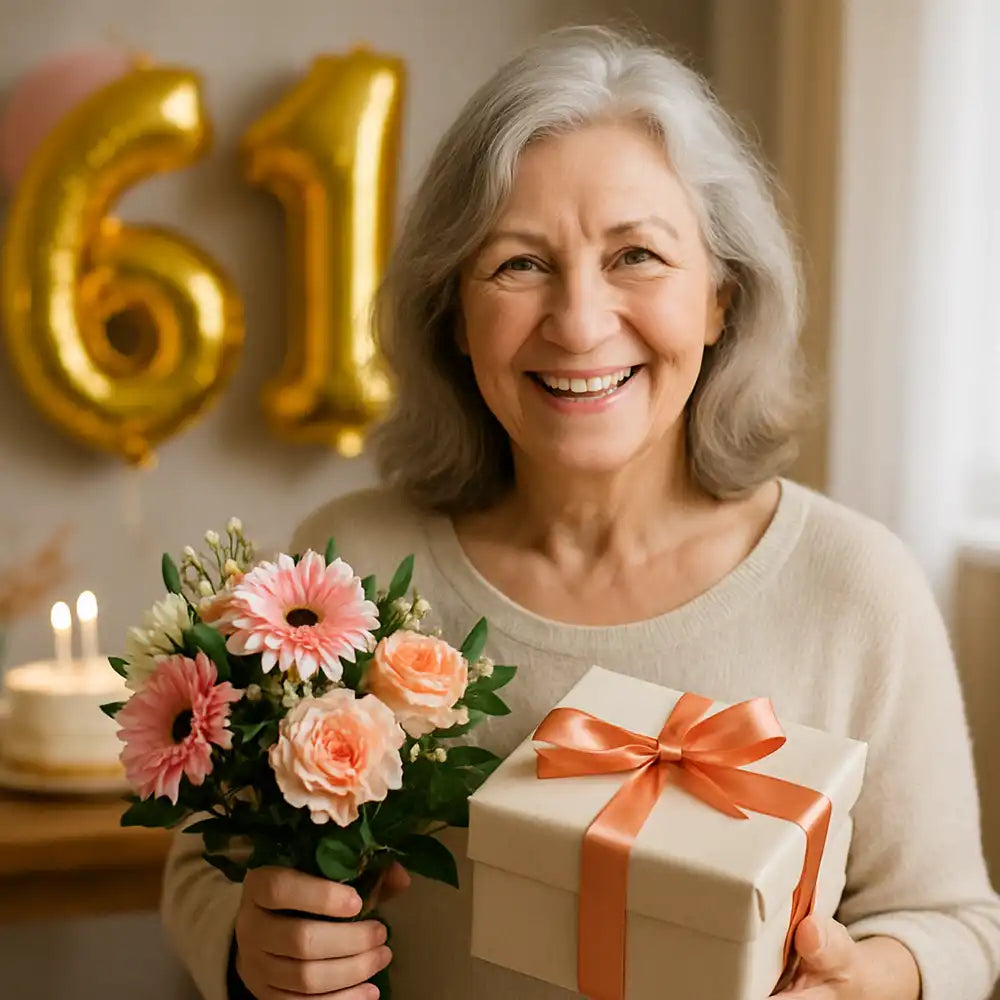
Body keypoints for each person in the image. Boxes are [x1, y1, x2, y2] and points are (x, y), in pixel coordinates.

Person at [161, 24, 1000, 1000]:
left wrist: (878, 979)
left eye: (636, 255)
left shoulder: (858, 586)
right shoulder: (339, 572)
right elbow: (203, 858)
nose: (579, 322)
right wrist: (246, 941)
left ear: (719, 299)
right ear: (453, 314)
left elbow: (954, 921)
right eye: (519, 264)